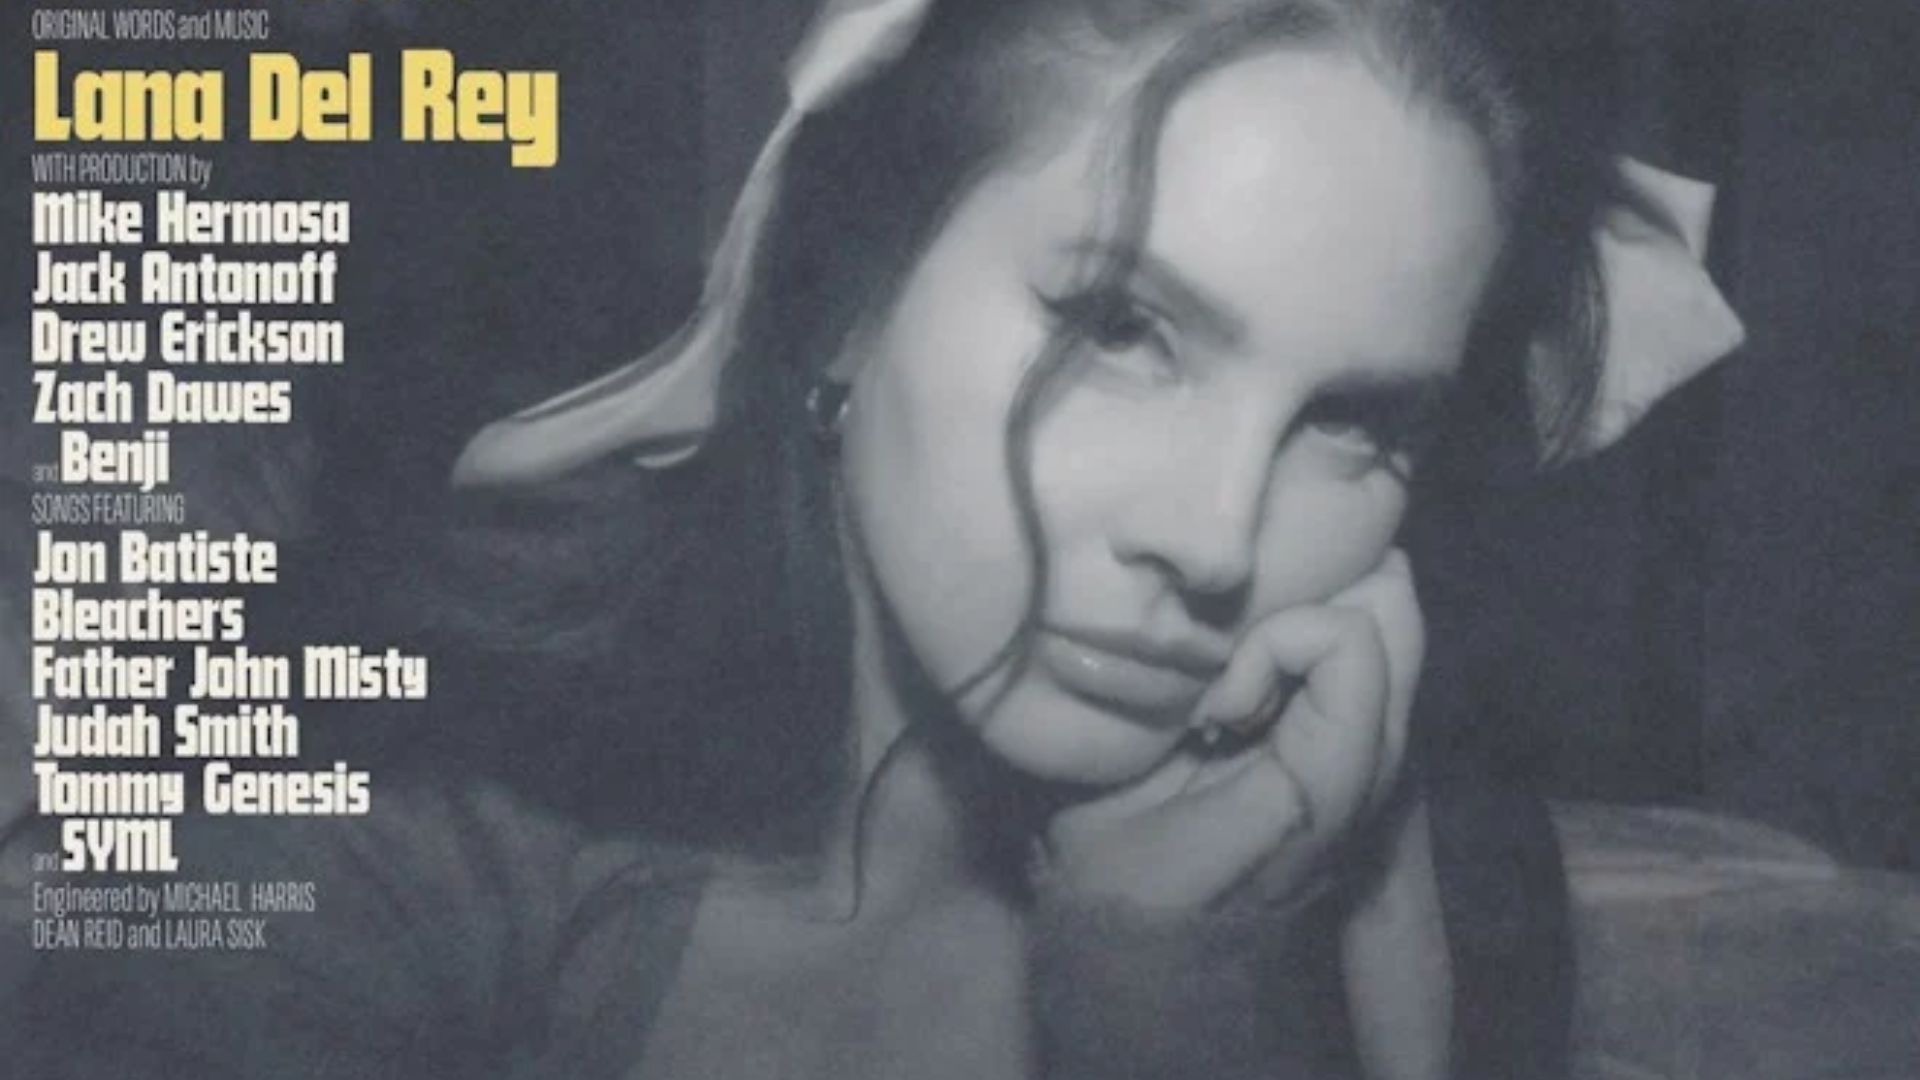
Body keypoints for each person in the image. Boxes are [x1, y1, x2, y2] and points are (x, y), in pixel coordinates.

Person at [11, 0, 1619, 1077]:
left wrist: (1181, 1011)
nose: (1217, 539)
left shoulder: (1448, 896)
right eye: (1119, 328)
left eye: (1359, 422)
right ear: (845, 298)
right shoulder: (352, 850)